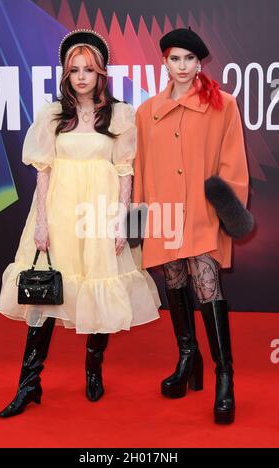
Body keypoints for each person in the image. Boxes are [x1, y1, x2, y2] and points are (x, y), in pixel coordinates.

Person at [0, 29, 161, 418]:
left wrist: (121, 221)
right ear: (66, 75)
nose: (82, 76)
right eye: (75, 70)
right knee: (43, 296)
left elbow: (125, 172)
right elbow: (44, 172)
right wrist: (41, 222)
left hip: (100, 214)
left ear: (101, 72)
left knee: (97, 285)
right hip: (59, 212)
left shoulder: (119, 115)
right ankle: (28, 384)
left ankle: (93, 370)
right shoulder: (53, 115)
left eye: (89, 69)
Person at [132, 27, 251, 424]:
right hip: (164, 216)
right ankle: (188, 359)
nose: (182, 66)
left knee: (207, 284)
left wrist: (226, 215)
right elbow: (141, 170)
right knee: (176, 283)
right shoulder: (145, 112)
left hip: (202, 213)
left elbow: (233, 164)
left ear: (200, 63)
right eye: (174, 58)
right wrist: (139, 221)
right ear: (164, 62)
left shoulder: (224, 105)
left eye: (189, 59)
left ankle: (224, 375)